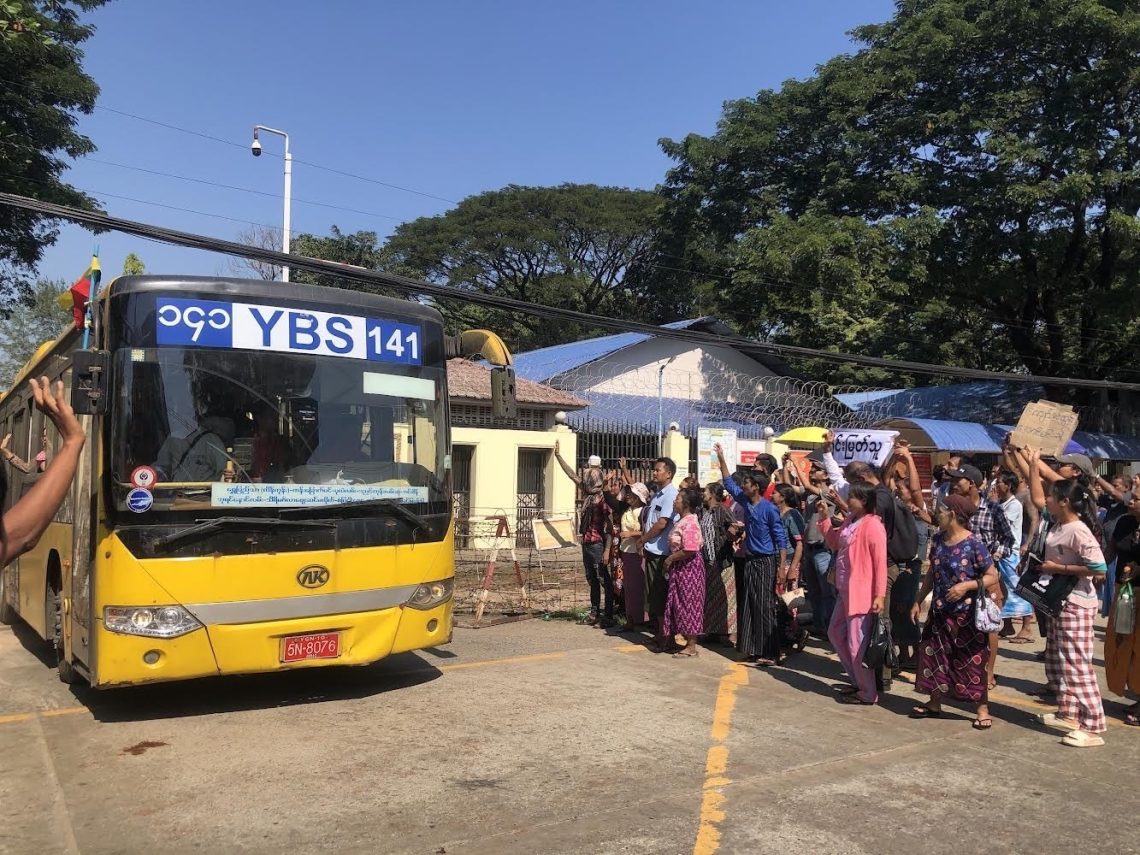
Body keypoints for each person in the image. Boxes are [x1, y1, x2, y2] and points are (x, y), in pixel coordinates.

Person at [1023, 450, 1110, 748]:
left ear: (1065, 502)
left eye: (1053, 496)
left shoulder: (1078, 530)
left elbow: (1098, 567)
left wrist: (1057, 568)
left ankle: (1093, 723)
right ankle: (1068, 713)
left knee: (1076, 664)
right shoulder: (1058, 522)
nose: (1047, 499)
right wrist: (1033, 465)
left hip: (1077, 603)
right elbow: (1037, 497)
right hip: (1060, 602)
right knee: (1060, 660)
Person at [910, 494, 1000, 729]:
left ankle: (982, 709)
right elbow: (932, 574)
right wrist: (918, 600)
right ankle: (934, 702)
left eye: (939, 510)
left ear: (952, 514)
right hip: (940, 614)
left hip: (966, 617)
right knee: (935, 658)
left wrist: (966, 586)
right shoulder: (938, 540)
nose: (935, 514)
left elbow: (992, 576)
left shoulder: (973, 543)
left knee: (971, 662)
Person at [714, 442, 787, 666]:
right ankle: (753, 648)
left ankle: (770, 651)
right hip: (750, 560)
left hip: (766, 561)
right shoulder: (746, 502)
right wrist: (721, 457)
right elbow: (729, 482)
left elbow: (780, 539)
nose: (742, 487)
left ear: (756, 486)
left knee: (764, 606)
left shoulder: (769, 509)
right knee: (749, 603)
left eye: (746, 483)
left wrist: (782, 567)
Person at [1, 378, 86, 567]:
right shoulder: (43, 454)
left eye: (47, 432)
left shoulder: (56, 452)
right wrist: (72, 443)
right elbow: (28, 468)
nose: (45, 435)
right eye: (44, 432)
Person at [819, 480, 888, 705]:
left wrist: (879, 595)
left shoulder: (873, 525)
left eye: (853, 497)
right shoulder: (851, 520)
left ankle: (868, 692)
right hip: (845, 590)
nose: (849, 500)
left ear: (865, 501)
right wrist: (824, 519)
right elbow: (834, 542)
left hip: (862, 592)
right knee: (836, 633)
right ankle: (858, 681)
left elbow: (880, 563)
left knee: (857, 643)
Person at [947, 462, 1014, 690]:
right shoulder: (953, 509)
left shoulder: (993, 510)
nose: (954, 484)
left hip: (987, 579)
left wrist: (993, 556)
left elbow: (1008, 539)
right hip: (958, 579)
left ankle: (988, 673)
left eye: (959, 480)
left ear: (972, 484)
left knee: (989, 625)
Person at [554, 442, 614, 627]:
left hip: (597, 544)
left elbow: (610, 526)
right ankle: (594, 613)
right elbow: (571, 473)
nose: (589, 474)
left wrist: (607, 550)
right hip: (587, 542)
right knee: (592, 580)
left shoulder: (603, 499)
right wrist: (558, 456)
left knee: (603, 580)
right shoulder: (588, 495)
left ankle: (609, 616)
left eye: (593, 471)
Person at [637, 457, 679, 648]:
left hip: (662, 551)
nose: (654, 473)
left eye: (658, 470)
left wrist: (643, 539)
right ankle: (660, 633)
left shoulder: (670, 494)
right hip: (652, 550)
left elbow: (662, 523)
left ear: (668, 473)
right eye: (654, 470)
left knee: (660, 594)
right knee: (653, 595)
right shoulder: (657, 495)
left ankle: (666, 636)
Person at [1106, 492, 1140, 726]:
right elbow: (1111, 551)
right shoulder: (1125, 522)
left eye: (1136, 498)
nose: (1130, 501)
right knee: (1120, 645)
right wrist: (1096, 569)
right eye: (1131, 496)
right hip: (1124, 593)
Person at [662, 486, 706, 656]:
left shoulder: (690, 522)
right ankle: (676, 639)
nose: (675, 501)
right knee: (678, 603)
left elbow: (690, 548)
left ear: (686, 504)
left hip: (690, 569)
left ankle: (691, 646)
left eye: (678, 499)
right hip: (680, 568)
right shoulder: (681, 521)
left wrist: (671, 559)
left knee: (690, 605)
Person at [992, 470, 1034, 642]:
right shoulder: (1002, 504)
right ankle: (1007, 624)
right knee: (1003, 589)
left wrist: (992, 505)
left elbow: (999, 524)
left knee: (1017, 587)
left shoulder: (1014, 505)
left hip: (1011, 553)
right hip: (1000, 552)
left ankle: (1027, 626)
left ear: (1008, 485)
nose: (995, 486)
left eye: (999, 482)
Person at [700, 482, 737, 642]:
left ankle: (728, 633)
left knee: (726, 598)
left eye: (706, 491)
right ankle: (712, 631)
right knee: (710, 597)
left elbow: (735, 526)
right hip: (707, 559)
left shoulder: (723, 510)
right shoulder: (702, 511)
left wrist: (732, 532)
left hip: (722, 559)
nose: (703, 494)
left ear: (713, 494)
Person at [617, 482, 650, 629]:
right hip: (626, 551)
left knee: (640, 587)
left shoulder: (644, 511)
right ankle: (631, 618)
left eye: (632, 493)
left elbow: (647, 531)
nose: (628, 496)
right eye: (628, 493)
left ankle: (643, 619)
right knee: (629, 587)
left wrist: (630, 533)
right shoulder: (627, 510)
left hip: (639, 552)